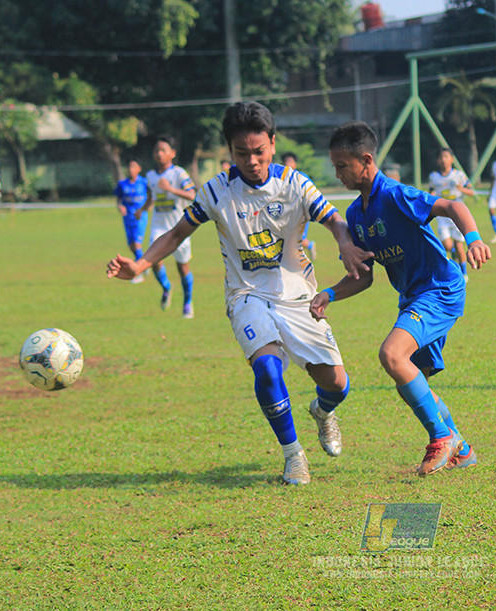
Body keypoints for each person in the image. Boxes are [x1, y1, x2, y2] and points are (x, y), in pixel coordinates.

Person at [107, 101, 372, 485]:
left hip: (297, 295)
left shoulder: (294, 184)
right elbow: (178, 233)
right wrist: (141, 264)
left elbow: (333, 218)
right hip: (245, 294)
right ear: (229, 152)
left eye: (259, 152)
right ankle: (293, 456)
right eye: (241, 153)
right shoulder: (216, 191)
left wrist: (345, 242)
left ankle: (323, 410)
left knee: (337, 384)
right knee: (267, 366)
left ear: (273, 144)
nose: (252, 161)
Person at [311, 121, 491, 476]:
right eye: (335, 166)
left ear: (365, 160)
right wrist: (330, 294)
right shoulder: (355, 215)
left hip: (439, 289)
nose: (338, 173)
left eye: (343, 166)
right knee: (410, 380)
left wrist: (473, 239)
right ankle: (463, 448)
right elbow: (364, 277)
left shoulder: (395, 195)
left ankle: (442, 438)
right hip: (414, 298)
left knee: (392, 355)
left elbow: (454, 207)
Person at [136, 135, 196, 318]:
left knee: (182, 267)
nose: (159, 153)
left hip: (180, 227)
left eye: (163, 150)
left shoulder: (179, 174)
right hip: (159, 227)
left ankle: (187, 302)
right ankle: (167, 287)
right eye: (157, 150)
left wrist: (170, 189)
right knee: (153, 261)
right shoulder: (151, 176)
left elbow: (193, 194)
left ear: (172, 153)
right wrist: (142, 210)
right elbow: (150, 197)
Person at [428, 148, 475, 282]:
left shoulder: (459, 175)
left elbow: (471, 192)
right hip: (442, 216)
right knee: (447, 246)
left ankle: (464, 274)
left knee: (460, 245)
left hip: (458, 215)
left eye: (447, 157)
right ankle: (452, 253)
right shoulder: (434, 177)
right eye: (441, 157)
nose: (444, 160)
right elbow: (431, 192)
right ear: (438, 160)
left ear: (452, 159)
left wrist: (462, 189)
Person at [114, 158, 150, 283]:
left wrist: (145, 209)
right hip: (127, 217)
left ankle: (138, 272)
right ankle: (145, 262)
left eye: (134, 166)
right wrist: (120, 206)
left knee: (136, 243)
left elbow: (151, 197)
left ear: (139, 169)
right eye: (129, 167)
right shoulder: (122, 184)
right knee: (131, 246)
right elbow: (119, 200)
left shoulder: (144, 182)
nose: (131, 169)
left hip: (140, 217)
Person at [282, 152, 316, 260]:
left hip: (300, 213)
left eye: (290, 162)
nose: (288, 164)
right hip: (286, 213)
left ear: (295, 164)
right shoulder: (279, 179)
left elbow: (312, 194)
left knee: (297, 239)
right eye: (285, 162)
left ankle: (308, 248)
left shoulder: (301, 178)